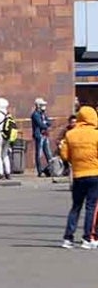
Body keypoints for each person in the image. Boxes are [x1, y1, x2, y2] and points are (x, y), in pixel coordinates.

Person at [59, 105, 98, 249]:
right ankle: (87, 238)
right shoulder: (96, 134)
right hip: (94, 173)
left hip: (78, 174)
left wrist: (74, 161)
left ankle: (68, 238)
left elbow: (65, 155)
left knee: (76, 207)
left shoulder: (70, 134)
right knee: (91, 207)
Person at [32, 99, 52, 175]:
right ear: (38, 105)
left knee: (48, 153)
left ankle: (51, 168)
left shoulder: (43, 114)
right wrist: (46, 124)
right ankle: (39, 170)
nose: (44, 106)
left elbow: (49, 122)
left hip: (45, 135)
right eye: (42, 105)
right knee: (39, 154)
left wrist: (46, 124)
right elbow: (40, 124)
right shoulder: (35, 114)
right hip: (39, 135)